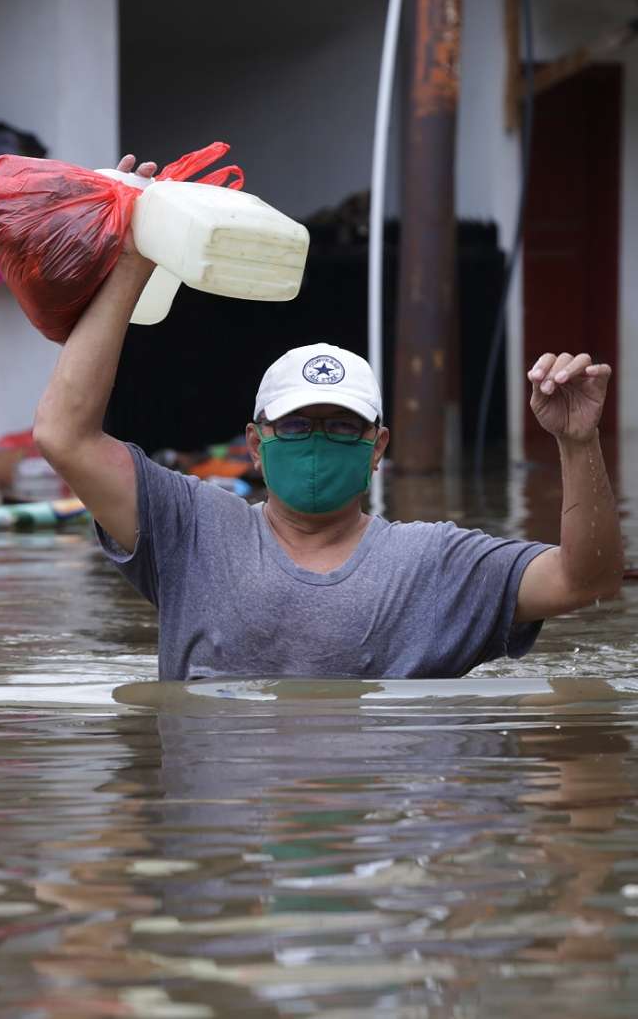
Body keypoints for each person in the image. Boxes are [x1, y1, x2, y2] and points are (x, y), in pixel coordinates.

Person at [33, 156, 624, 681]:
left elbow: (584, 581)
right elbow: (64, 436)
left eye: (341, 427)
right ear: (255, 443)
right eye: (293, 427)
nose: (315, 442)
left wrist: (577, 442)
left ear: (377, 446)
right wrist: (133, 262)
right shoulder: (190, 530)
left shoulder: (435, 563)